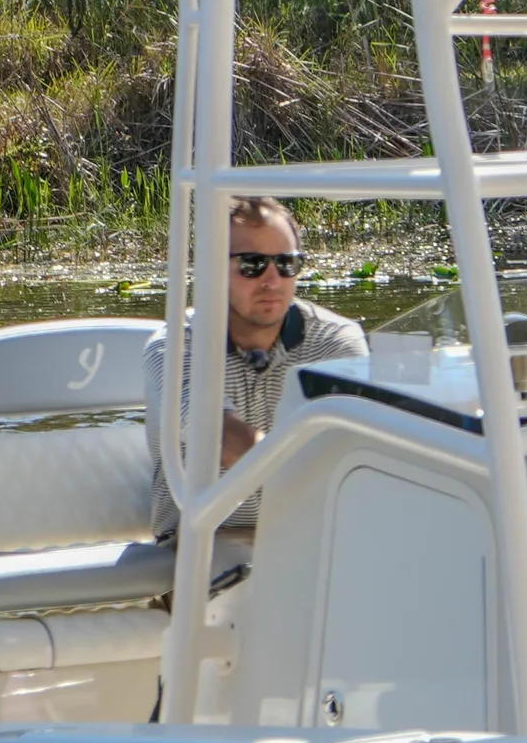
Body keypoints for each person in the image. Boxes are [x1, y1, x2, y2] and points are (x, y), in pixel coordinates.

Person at [146, 194, 364, 532]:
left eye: (286, 264)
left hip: (307, 535)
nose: (272, 281)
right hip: (201, 545)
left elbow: (359, 443)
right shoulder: (175, 345)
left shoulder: (336, 340)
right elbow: (218, 438)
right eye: (252, 264)